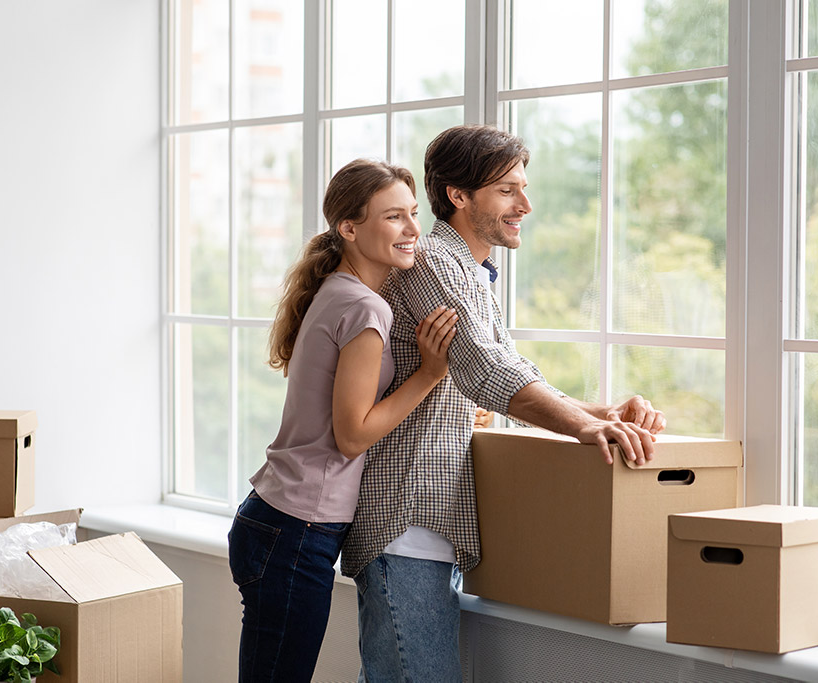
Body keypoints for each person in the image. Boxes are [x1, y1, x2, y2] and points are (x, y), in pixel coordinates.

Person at [341, 125, 667, 681]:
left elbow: (506, 385)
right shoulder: (432, 265)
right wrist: (583, 430)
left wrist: (602, 413)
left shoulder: (472, 273)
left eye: (524, 187)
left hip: (436, 525)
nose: (527, 204)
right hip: (406, 521)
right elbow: (486, 371)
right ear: (459, 197)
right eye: (508, 191)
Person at [227, 159, 459, 683]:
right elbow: (352, 435)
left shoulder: (340, 291)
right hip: (295, 528)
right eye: (394, 217)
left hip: (277, 520)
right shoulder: (364, 308)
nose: (412, 230)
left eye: (413, 214)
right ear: (349, 228)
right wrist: (429, 374)